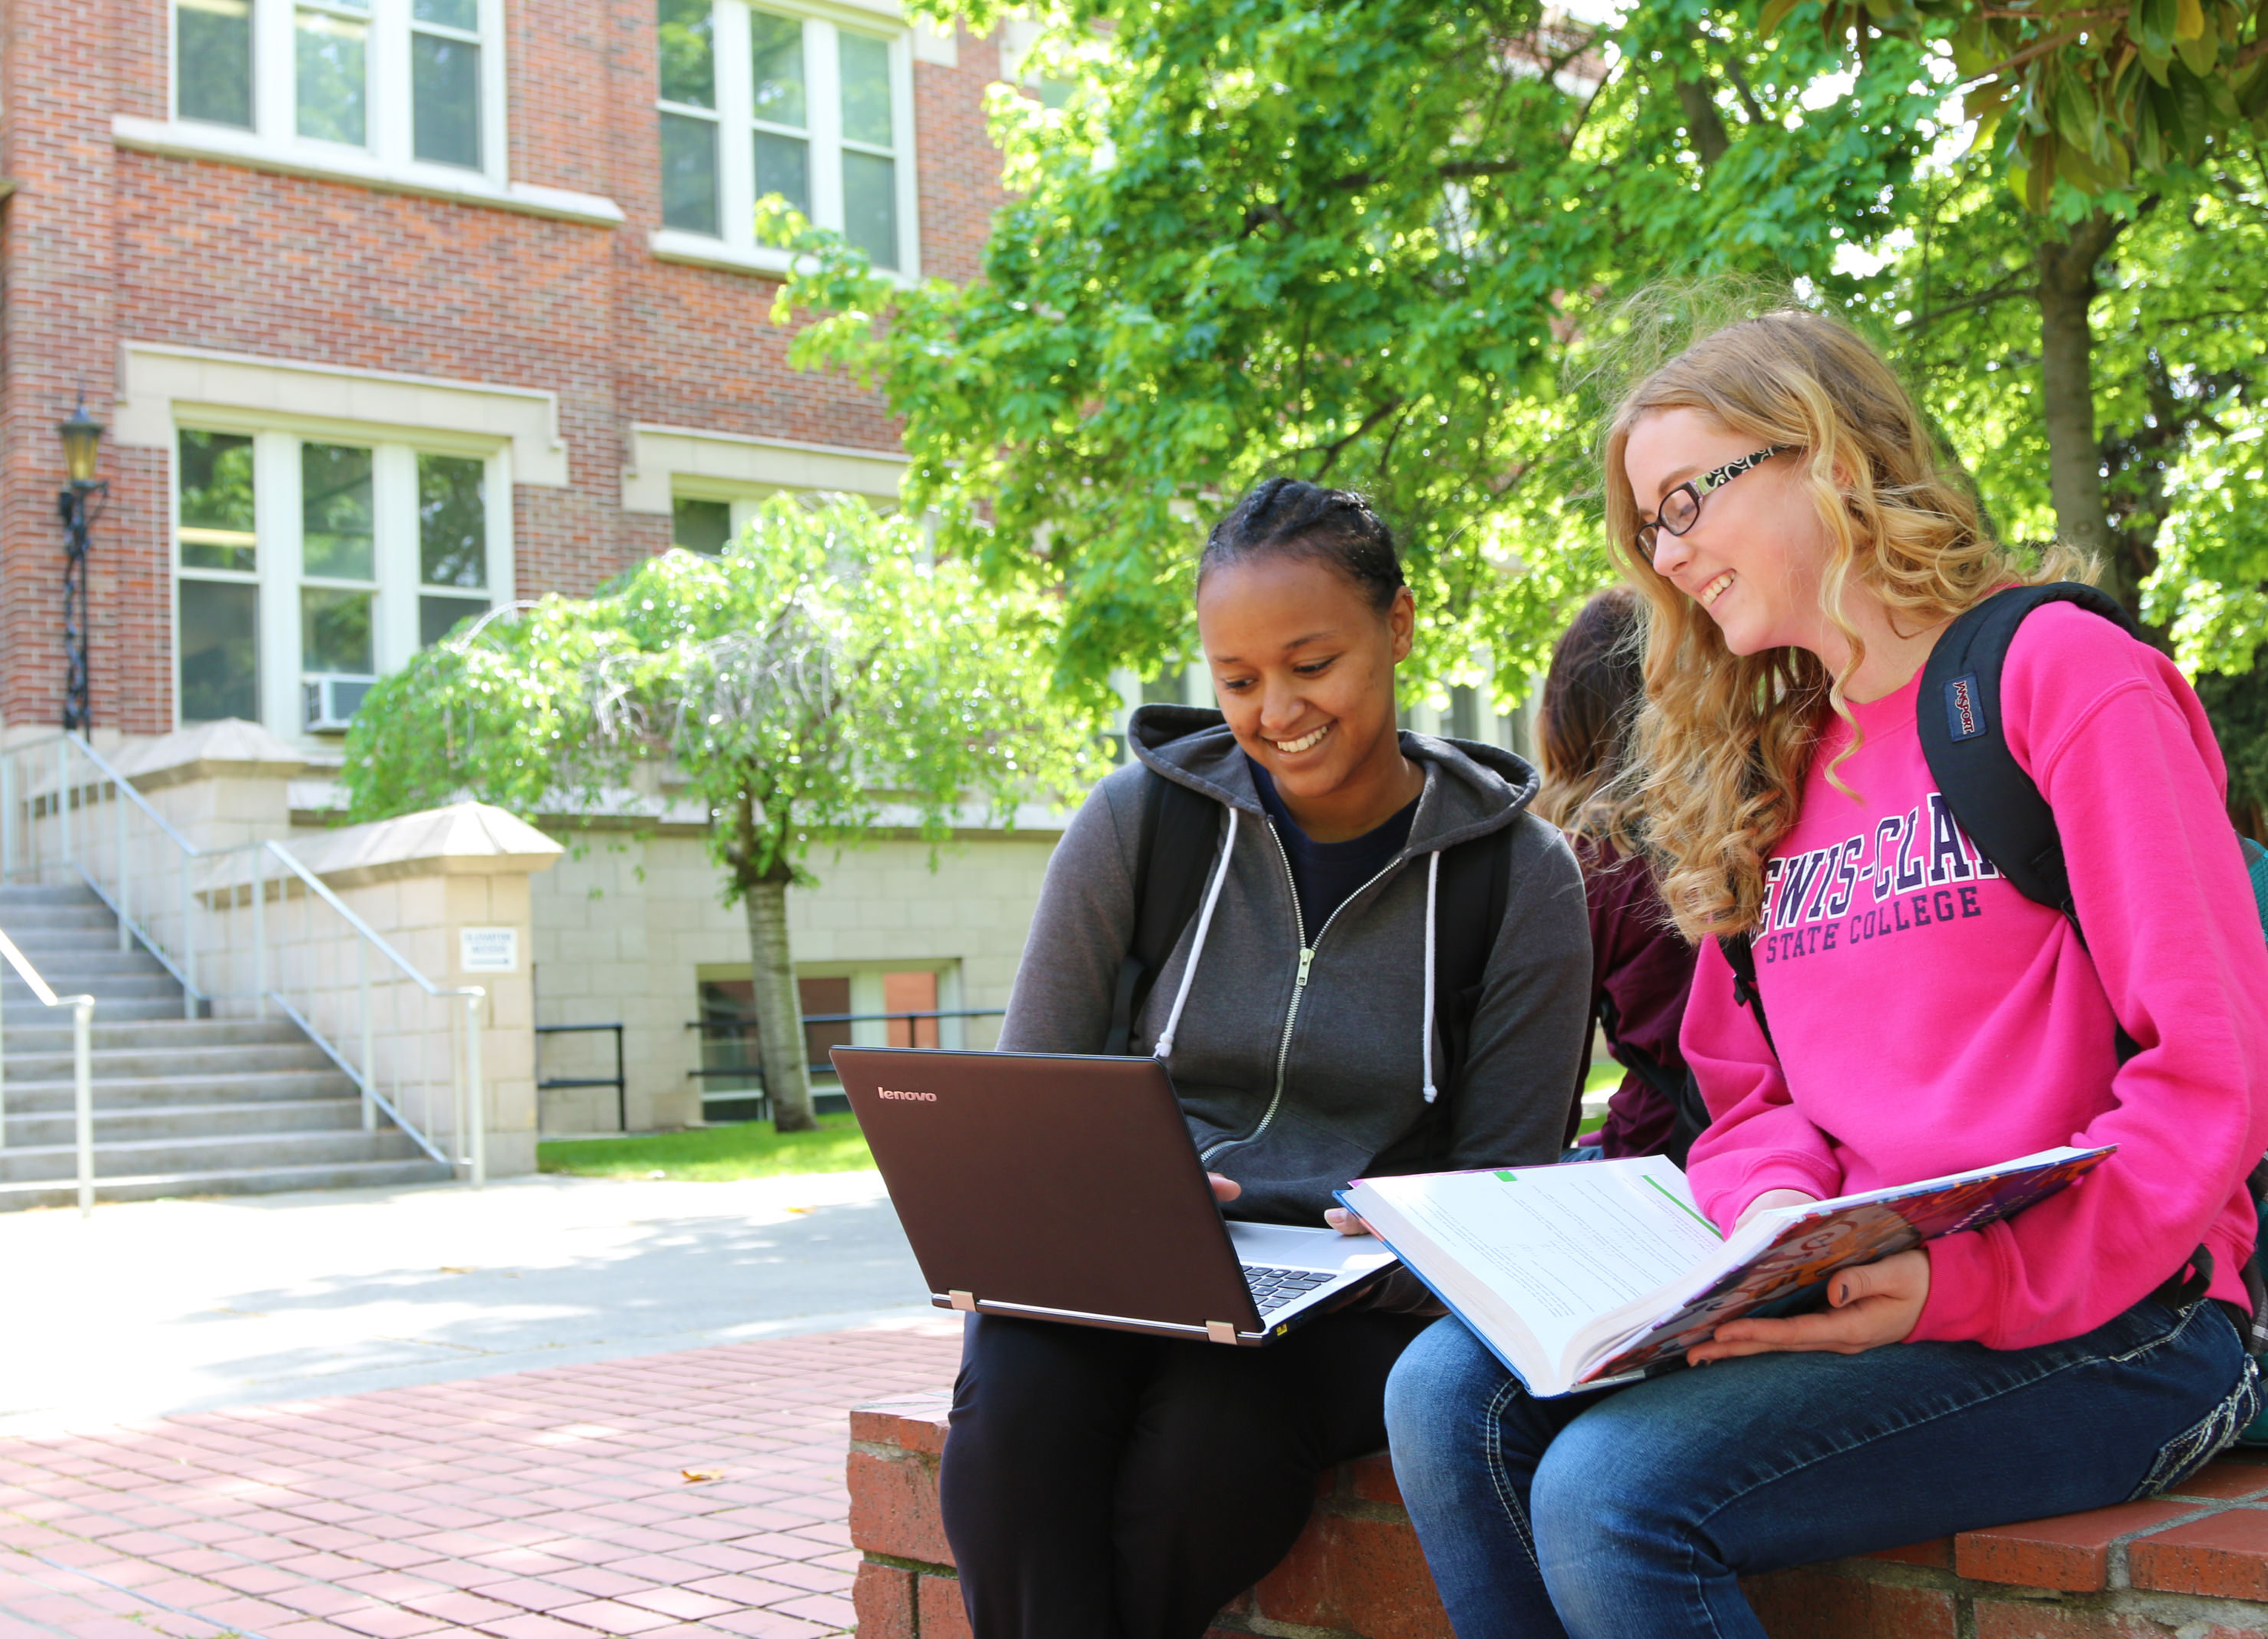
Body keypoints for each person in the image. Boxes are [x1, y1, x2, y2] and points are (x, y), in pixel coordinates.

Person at [1382, 307, 2268, 1639]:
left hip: (2127, 1318)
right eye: (1648, 528)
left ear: (1832, 459)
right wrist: (1774, 1230)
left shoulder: (2061, 679)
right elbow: (1747, 1100)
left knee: (1612, 1493)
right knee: (1445, 1396)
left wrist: (1960, 1284)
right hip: (1862, 1277)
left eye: (1686, 503)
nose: (1669, 556)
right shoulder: (1771, 757)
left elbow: (2213, 1070)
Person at [940, 478, 1593, 1639]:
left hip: (1350, 1300)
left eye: (1311, 664)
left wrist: (1382, 1241)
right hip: (1127, 1266)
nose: (1276, 710)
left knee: (1210, 1441)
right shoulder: (1141, 824)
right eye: (1237, 681)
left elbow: (1504, 1192)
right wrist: (1138, 1202)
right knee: (1018, 1411)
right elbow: (1027, 1111)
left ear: (1397, 627)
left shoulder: (1519, 880)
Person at [1532, 586, 1700, 1162]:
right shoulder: (1748, 820)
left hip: (1661, 1157)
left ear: (1566, 712)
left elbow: (1540, 1089)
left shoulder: (1592, 860)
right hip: (1755, 1140)